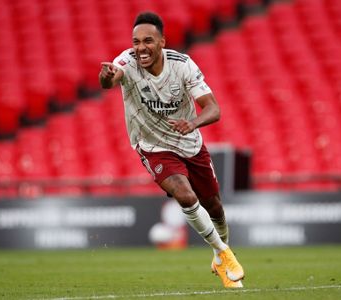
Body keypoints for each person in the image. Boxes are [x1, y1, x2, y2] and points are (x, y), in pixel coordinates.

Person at [99, 12, 244, 288]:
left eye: (148, 41)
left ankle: (219, 252)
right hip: (153, 145)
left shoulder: (183, 65)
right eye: (136, 41)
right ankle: (224, 254)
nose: (140, 47)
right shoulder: (127, 61)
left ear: (162, 42)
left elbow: (214, 109)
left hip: (190, 143)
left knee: (215, 207)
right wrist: (106, 76)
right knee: (185, 195)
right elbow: (110, 78)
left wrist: (193, 123)